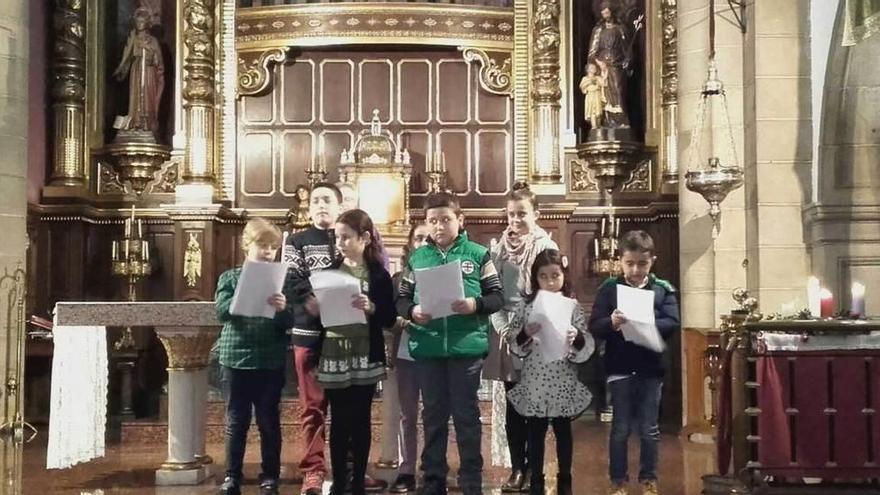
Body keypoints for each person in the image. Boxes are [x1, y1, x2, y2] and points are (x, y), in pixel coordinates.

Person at [397, 191, 504, 495]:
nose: (440, 226)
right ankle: (433, 478)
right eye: (433, 221)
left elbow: (497, 297)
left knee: (466, 415)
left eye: (446, 219)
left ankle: (470, 478)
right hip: (428, 348)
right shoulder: (418, 258)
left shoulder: (478, 254)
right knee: (432, 415)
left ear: (460, 220)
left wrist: (474, 304)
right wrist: (412, 312)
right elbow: (401, 300)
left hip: (466, 349)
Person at [309, 209, 397, 495]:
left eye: (347, 237)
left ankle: (358, 480)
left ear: (365, 238)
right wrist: (315, 308)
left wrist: (372, 308)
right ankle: (339, 481)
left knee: (360, 419)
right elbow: (317, 317)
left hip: (364, 352)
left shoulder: (379, 275)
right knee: (338, 420)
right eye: (338, 237)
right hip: (334, 352)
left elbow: (388, 316)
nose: (341, 243)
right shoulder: (329, 272)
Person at [588, 230, 680, 495]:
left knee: (650, 428)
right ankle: (618, 480)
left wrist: (647, 320)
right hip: (620, 367)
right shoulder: (609, 289)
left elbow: (672, 321)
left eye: (642, 263)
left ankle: (648, 478)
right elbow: (595, 323)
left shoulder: (662, 289)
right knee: (620, 427)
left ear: (653, 260)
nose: (635, 269)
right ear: (620, 261)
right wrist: (612, 323)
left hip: (651, 368)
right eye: (629, 263)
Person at [486, 182, 558, 493]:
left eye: (522, 215)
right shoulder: (499, 248)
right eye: (511, 215)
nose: (515, 222)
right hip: (508, 335)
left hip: (538, 335)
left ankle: (535, 469)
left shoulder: (545, 248)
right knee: (513, 408)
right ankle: (517, 468)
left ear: (536, 214)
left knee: (535, 410)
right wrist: (504, 328)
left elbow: (553, 294)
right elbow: (491, 293)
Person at [506, 250, 594, 495]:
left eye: (555, 275)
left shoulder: (573, 306)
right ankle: (536, 479)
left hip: (562, 377)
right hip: (535, 378)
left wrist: (575, 338)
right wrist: (526, 332)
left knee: (563, 430)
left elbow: (585, 341)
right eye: (544, 277)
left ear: (563, 276)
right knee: (535, 431)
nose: (550, 281)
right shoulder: (526, 306)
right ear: (536, 279)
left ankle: (565, 478)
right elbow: (513, 340)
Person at [215, 218, 292, 495]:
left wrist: (283, 308)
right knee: (236, 421)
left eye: (273, 247)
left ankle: (269, 476)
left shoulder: (280, 280)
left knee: (269, 422)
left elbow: (288, 323)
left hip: (269, 359)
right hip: (235, 357)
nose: (268, 251)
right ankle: (232, 476)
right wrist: (242, 296)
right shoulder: (230, 277)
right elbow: (221, 311)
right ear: (247, 245)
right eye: (262, 245)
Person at [283, 182, 342, 495]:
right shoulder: (297, 241)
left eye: (327, 200)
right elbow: (291, 280)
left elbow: (359, 274)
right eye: (316, 200)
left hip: (344, 336)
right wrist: (314, 299)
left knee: (346, 409)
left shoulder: (348, 238)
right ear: (309, 207)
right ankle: (313, 471)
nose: (321, 205)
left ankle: (348, 469)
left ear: (339, 206)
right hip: (309, 334)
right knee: (313, 408)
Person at [385, 223, 431, 493]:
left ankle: (431, 466)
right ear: (410, 244)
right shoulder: (399, 279)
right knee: (407, 414)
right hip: (407, 352)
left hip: (436, 351)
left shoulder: (444, 274)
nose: (424, 242)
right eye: (419, 238)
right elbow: (389, 319)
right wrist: (405, 321)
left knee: (435, 413)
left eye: (428, 238)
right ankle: (406, 469)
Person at [112, 7, 165, 136]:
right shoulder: (133, 39)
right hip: (136, 71)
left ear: (147, 24)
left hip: (148, 72)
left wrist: (150, 52)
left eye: (142, 22)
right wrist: (121, 69)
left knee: (147, 95)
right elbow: (127, 57)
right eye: (138, 22)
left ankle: (147, 121)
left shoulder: (153, 41)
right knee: (136, 95)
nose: (139, 25)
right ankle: (135, 120)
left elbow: (158, 61)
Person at [588, 2, 632, 128]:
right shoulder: (598, 31)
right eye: (603, 12)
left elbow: (627, 50)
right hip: (603, 67)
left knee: (618, 91)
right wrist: (599, 63)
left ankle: (620, 121)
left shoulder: (620, 29)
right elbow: (592, 53)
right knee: (605, 94)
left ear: (612, 12)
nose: (606, 14)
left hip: (617, 66)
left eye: (607, 11)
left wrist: (627, 62)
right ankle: (608, 121)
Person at [579, 62, 607, 128]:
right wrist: (590, 82)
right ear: (588, 70)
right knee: (592, 111)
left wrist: (605, 71)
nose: (594, 69)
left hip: (597, 95)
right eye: (592, 68)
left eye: (595, 68)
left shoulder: (597, 78)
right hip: (590, 96)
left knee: (599, 111)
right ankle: (594, 125)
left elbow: (603, 83)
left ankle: (598, 124)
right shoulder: (585, 78)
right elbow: (582, 86)